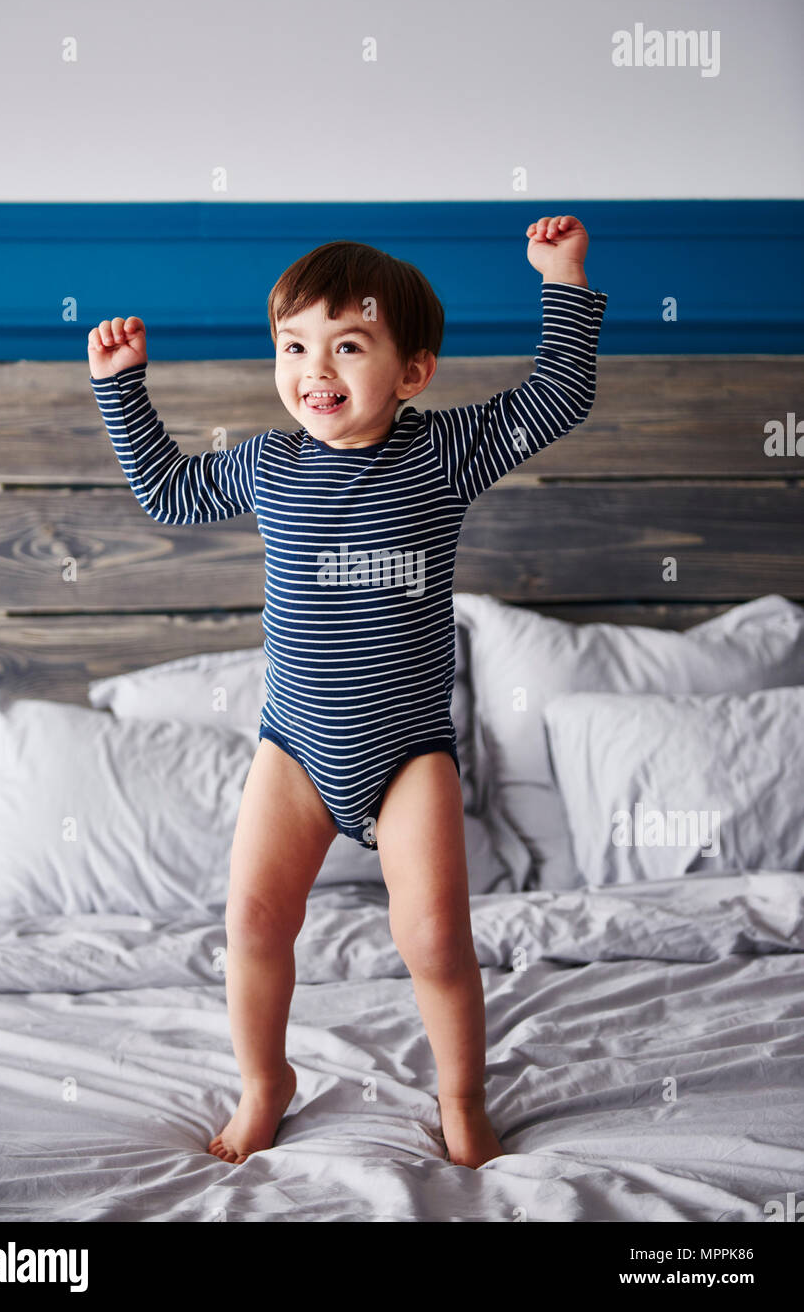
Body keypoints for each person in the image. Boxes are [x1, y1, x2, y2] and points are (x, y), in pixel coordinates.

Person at [88, 216, 608, 1168]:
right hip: (293, 748)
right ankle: (264, 1083)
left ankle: (460, 1099)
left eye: (348, 345)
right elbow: (165, 491)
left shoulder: (441, 454)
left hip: (407, 754)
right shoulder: (268, 462)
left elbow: (558, 393)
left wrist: (562, 280)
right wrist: (122, 390)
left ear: (412, 372)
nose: (313, 369)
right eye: (293, 346)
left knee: (437, 941)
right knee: (249, 923)